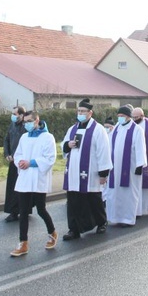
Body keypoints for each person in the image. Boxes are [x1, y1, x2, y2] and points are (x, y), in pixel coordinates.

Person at [62, 99, 112, 240]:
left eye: (83, 111)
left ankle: (101, 222)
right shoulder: (72, 129)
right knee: (72, 201)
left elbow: (103, 152)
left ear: (90, 113)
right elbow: (63, 146)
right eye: (78, 111)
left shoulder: (98, 130)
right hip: (73, 171)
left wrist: (103, 173)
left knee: (93, 199)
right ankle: (74, 229)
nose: (80, 114)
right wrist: (67, 145)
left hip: (90, 172)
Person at [10, 111, 58, 257]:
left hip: (38, 177)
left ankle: (52, 232)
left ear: (37, 121)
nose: (27, 124)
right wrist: (20, 162)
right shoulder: (24, 137)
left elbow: (50, 158)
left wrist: (30, 163)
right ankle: (23, 243)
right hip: (25, 178)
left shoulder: (48, 137)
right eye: (25, 122)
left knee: (41, 209)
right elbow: (18, 154)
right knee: (23, 211)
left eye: (29, 121)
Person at [104, 105, 146, 226]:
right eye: (119, 116)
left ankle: (127, 219)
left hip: (130, 169)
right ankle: (115, 217)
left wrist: (140, 165)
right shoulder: (116, 128)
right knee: (113, 193)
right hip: (115, 168)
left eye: (122, 116)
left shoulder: (137, 130)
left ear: (128, 116)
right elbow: (110, 146)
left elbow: (140, 148)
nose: (120, 118)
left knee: (128, 194)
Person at [3, 106, 26, 223]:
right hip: (13, 161)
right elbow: (6, 140)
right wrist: (7, 153)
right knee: (12, 187)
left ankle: (23, 210)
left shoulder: (26, 126)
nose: (13, 116)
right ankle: (13, 211)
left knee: (22, 187)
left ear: (22, 115)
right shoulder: (12, 125)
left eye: (15, 114)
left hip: (22, 161)